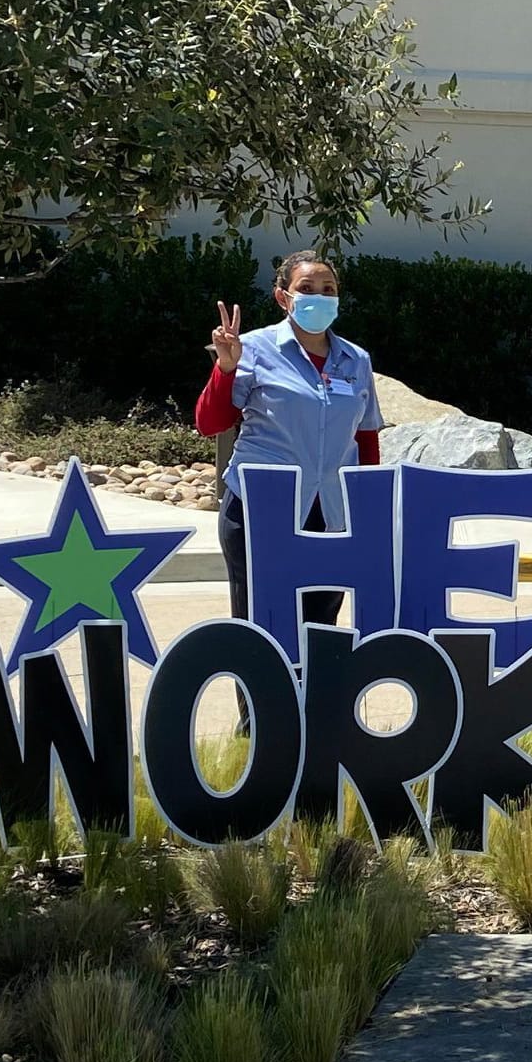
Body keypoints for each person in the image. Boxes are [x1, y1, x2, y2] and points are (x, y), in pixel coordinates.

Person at [195, 251, 384, 733]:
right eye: (307, 288)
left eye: (328, 289)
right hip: (262, 510)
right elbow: (211, 423)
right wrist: (226, 368)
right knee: (263, 621)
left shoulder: (355, 360)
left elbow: (365, 440)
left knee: (321, 623)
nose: (319, 298)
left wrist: (370, 509)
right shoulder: (253, 350)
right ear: (283, 297)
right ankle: (258, 727)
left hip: (332, 511)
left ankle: (315, 725)